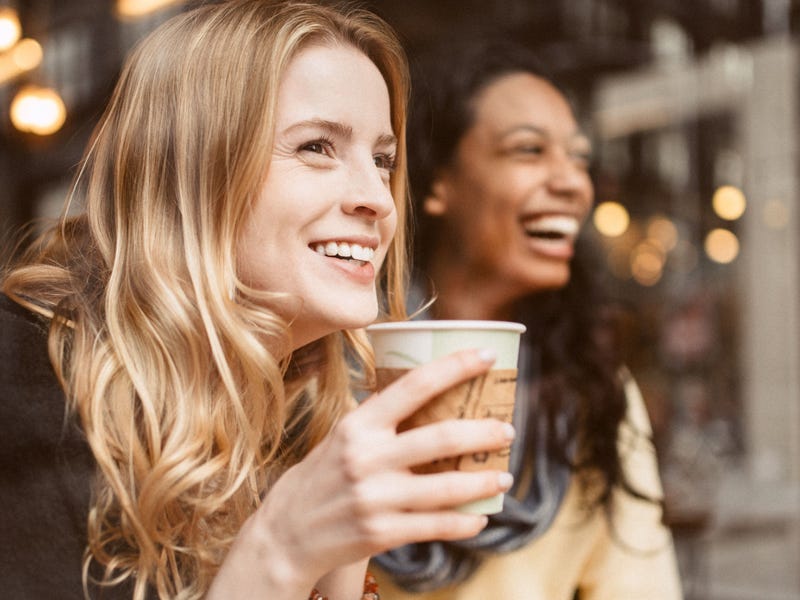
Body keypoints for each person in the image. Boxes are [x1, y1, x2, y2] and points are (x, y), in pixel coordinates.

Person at [0, 3, 518, 599]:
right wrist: (281, 549)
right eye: (317, 147)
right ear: (193, 172)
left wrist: (337, 570)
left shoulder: (299, 426)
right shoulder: (24, 382)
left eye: (382, 160)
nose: (377, 197)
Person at [371, 38, 684, 599]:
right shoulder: (327, 378)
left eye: (579, 157)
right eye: (528, 150)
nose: (573, 183)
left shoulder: (597, 395)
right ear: (439, 180)